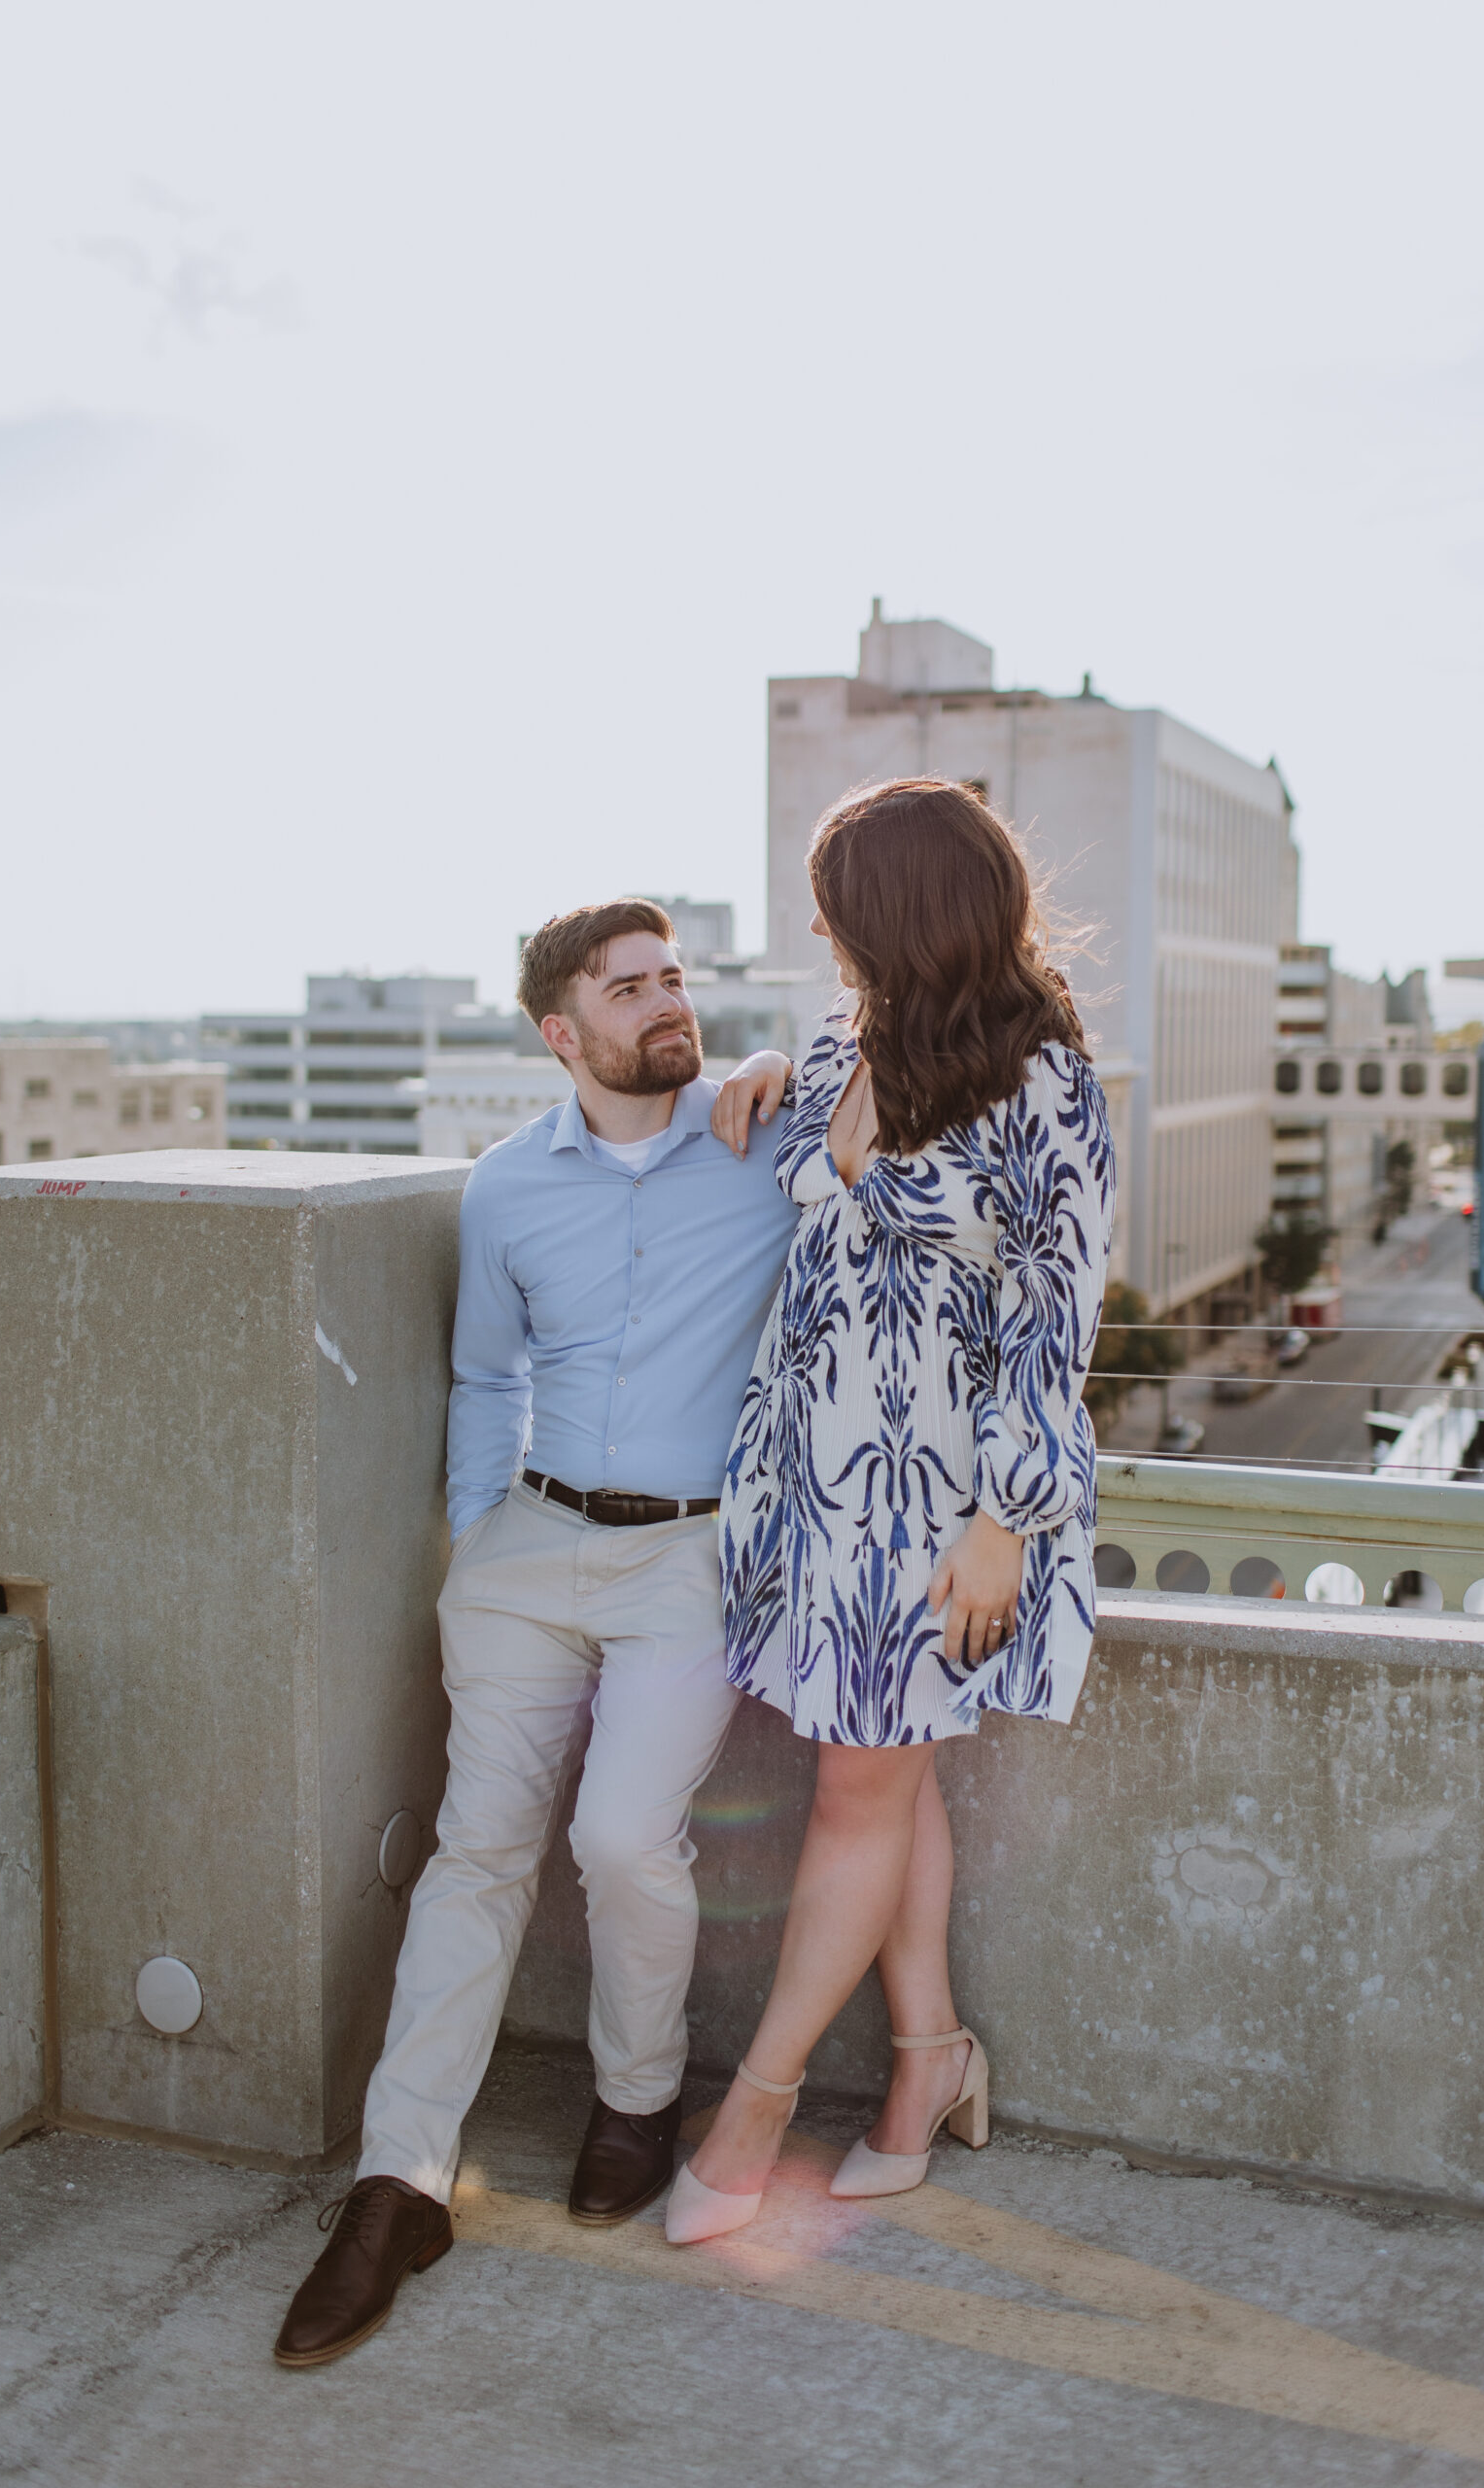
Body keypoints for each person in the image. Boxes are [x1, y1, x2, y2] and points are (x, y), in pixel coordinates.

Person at [274, 899, 798, 2367]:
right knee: (479, 1850)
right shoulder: (505, 1187)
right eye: (629, 988)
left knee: (625, 1838)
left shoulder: (761, 1137)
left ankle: (638, 2099)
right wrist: (472, 1544)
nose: (665, 1002)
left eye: (675, 977)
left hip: (689, 1561)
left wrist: (777, 1058)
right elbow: (483, 1376)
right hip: (525, 1549)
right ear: (560, 1034)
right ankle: (399, 2183)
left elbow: (897, 1090)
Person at [667, 778, 1114, 2244]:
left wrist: (1007, 1518)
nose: (813, 926)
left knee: (858, 1786)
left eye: (837, 901)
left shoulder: (1046, 1079)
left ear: (904, 913)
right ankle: (928, 2065)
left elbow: (1058, 1317)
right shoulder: (834, 1040)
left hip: (941, 1512)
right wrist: (749, 1068)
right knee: (884, 1772)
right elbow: (819, 1172)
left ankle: (758, 2106)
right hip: (812, 1487)